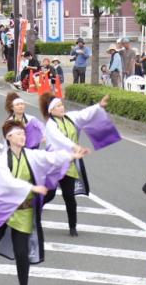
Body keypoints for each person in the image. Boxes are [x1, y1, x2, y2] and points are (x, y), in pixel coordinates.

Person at [0, 120, 88, 285]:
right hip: (4, 212)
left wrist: (71, 155)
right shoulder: (2, 160)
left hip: (24, 213)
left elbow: (50, 158)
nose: (23, 136)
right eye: (18, 134)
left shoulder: (30, 155)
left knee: (22, 254)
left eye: (24, 134)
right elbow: (6, 181)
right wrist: (32, 189)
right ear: (8, 138)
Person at [39, 92, 120, 236]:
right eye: (57, 106)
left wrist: (98, 106)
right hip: (54, 165)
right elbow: (60, 139)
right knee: (49, 195)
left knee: (69, 196)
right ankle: (33, 216)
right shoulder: (51, 125)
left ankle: (72, 227)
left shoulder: (70, 117)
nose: (61, 108)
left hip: (69, 163)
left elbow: (84, 114)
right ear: (51, 111)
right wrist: (75, 146)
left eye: (61, 105)